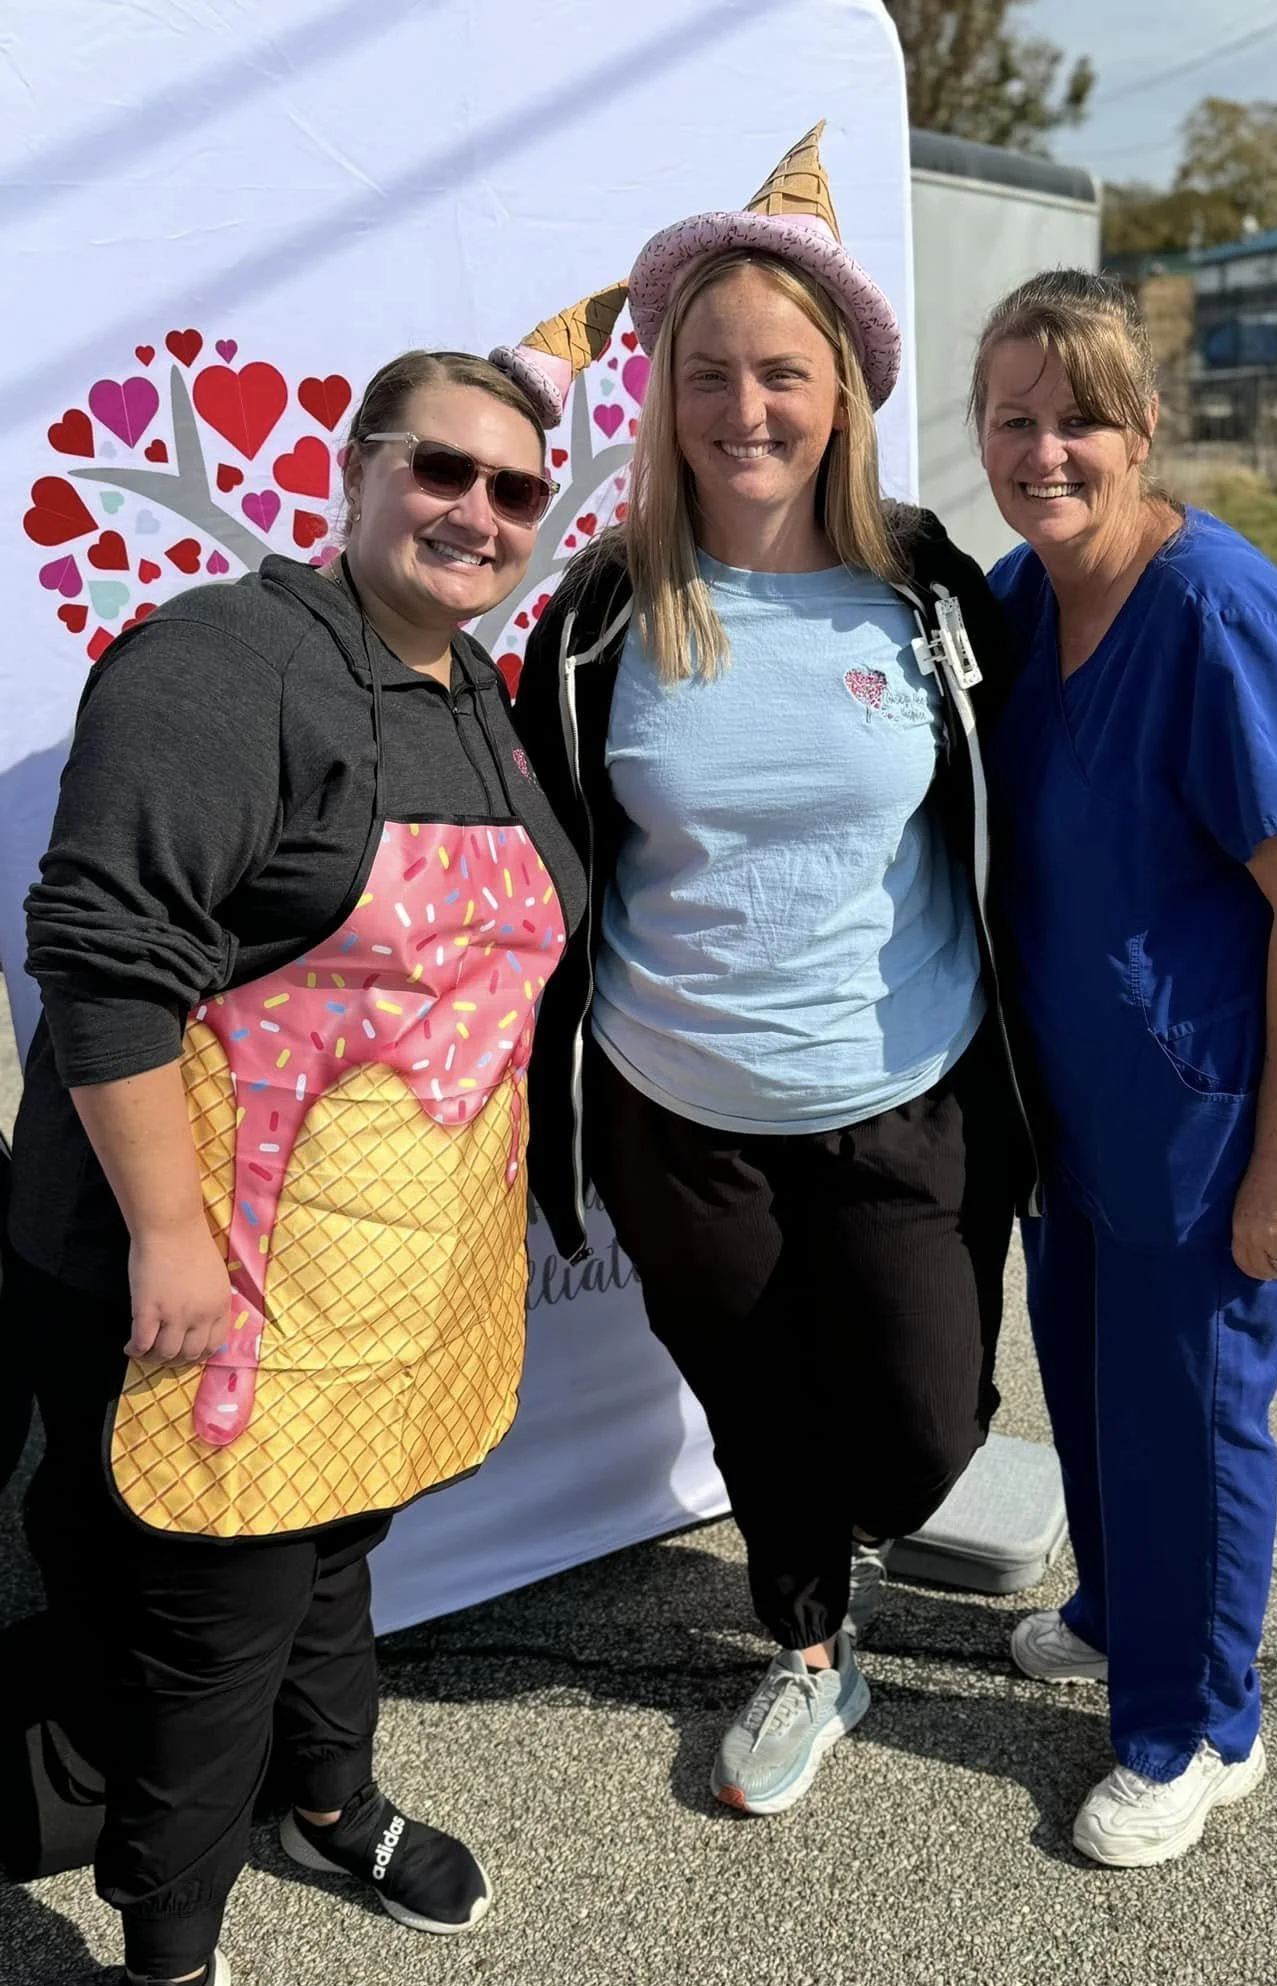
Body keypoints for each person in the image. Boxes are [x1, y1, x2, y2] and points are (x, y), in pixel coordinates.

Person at [3, 345, 585, 1986]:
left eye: (515, 490)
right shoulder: (224, 666)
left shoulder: (474, 687)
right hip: (195, 1260)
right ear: (357, 469)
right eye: (442, 470)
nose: (477, 510)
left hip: (380, 1269)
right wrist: (173, 1248)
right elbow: (103, 971)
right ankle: (166, 1955)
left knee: (335, 1548)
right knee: (211, 1625)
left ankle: (331, 1805)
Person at [512, 124, 1034, 1819]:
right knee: (754, 1406)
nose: (746, 408)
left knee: (920, 1439)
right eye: (709, 373)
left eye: (783, 375)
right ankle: (809, 1645)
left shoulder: (930, 590)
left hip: (908, 1093)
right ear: (661, 394)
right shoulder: (600, 614)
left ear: (845, 394)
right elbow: (528, 852)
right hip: (681, 1115)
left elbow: (1033, 802)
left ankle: (892, 1507)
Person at [975, 270, 1277, 1869]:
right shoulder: (1016, 594)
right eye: (1015, 419)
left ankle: (1197, 1723)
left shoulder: (1218, 610)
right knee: (1086, 1373)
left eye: (1079, 419)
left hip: (1196, 1115)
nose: (1045, 450)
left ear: (1141, 432)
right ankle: (1121, 1605)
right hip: (1067, 1104)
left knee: (1193, 1414)